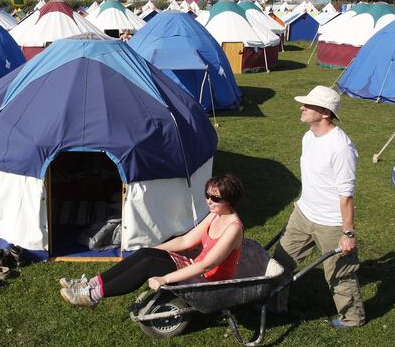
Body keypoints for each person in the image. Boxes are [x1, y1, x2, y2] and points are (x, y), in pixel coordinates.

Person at [59, 174, 245, 308]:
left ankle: (93, 296)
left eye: (215, 198)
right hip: (196, 268)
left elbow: (206, 265)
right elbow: (186, 240)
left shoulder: (234, 228)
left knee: (149, 263)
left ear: (230, 200)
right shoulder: (215, 215)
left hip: (209, 282)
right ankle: (90, 284)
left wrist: (164, 278)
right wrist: (154, 249)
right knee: (147, 254)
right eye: (207, 195)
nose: (208, 201)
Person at [272, 85, 366, 328]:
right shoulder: (308, 137)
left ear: (325, 113)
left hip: (332, 223)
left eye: (309, 105)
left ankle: (352, 318)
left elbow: (346, 195)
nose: (302, 107)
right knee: (280, 261)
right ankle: (275, 305)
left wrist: (347, 233)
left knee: (339, 274)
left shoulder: (341, 148)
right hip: (303, 213)